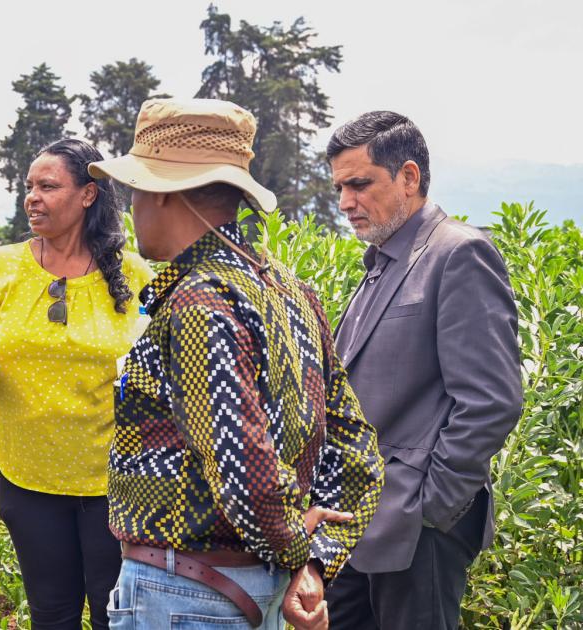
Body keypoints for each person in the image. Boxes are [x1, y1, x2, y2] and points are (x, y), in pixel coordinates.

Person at [88, 98, 384, 630]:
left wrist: (298, 548)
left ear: (164, 195)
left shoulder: (198, 301)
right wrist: (316, 559)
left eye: (135, 192)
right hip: (246, 590)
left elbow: (243, 464)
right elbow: (355, 443)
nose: (131, 209)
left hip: (184, 592)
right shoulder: (292, 291)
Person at [323, 111, 523, 629]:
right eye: (340, 187)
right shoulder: (383, 261)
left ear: (408, 177)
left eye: (359, 183)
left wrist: (429, 510)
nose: (346, 202)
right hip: (360, 528)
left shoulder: (459, 253)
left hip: (416, 530)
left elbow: (491, 401)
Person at [0, 138, 155, 629]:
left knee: (115, 614)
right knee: (52, 612)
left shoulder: (134, 275)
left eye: (47, 186)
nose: (32, 198)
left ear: (88, 195)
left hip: (115, 478)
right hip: (28, 474)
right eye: (28, 187)